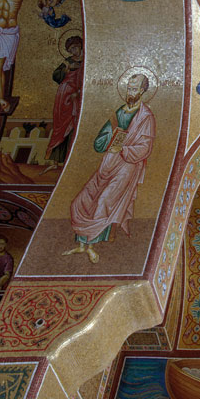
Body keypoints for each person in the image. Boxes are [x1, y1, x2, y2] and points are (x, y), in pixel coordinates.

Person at [64, 73, 156, 264]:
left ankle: (92, 247)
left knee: (105, 201)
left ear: (142, 91)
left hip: (128, 165)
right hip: (109, 162)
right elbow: (99, 143)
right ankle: (81, 244)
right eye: (128, 88)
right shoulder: (118, 113)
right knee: (82, 200)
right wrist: (110, 138)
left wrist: (123, 149)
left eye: (134, 89)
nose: (130, 92)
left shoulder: (146, 117)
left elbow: (145, 147)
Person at [46, 35, 83, 165]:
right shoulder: (67, 61)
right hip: (65, 95)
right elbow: (56, 76)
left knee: (76, 123)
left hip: (78, 95)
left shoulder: (86, 59)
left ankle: (72, 159)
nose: (73, 51)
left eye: (74, 48)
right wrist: (66, 70)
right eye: (70, 49)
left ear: (80, 46)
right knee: (62, 126)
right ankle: (56, 160)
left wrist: (78, 92)